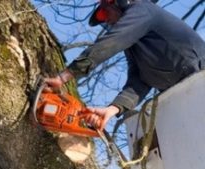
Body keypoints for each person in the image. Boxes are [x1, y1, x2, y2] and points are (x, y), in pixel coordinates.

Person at [45, 0, 205, 130]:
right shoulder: (134, 45)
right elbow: (139, 81)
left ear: (118, 3)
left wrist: (64, 76)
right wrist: (113, 109)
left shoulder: (143, 10)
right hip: (183, 95)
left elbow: (110, 42)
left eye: (105, 12)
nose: (106, 19)